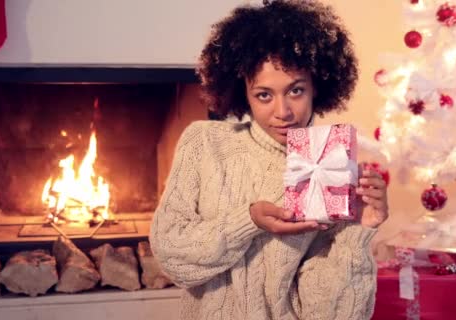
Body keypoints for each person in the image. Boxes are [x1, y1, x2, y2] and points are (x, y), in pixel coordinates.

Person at [149, 1, 389, 319]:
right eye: (264, 95)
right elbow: (172, 258)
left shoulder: (331, 168)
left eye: (296, 91)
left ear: (317, 86)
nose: (282, 112)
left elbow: (334, 314)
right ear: (242, 93)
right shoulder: (204, 143)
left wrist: (359, 229)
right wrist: (249, 221)